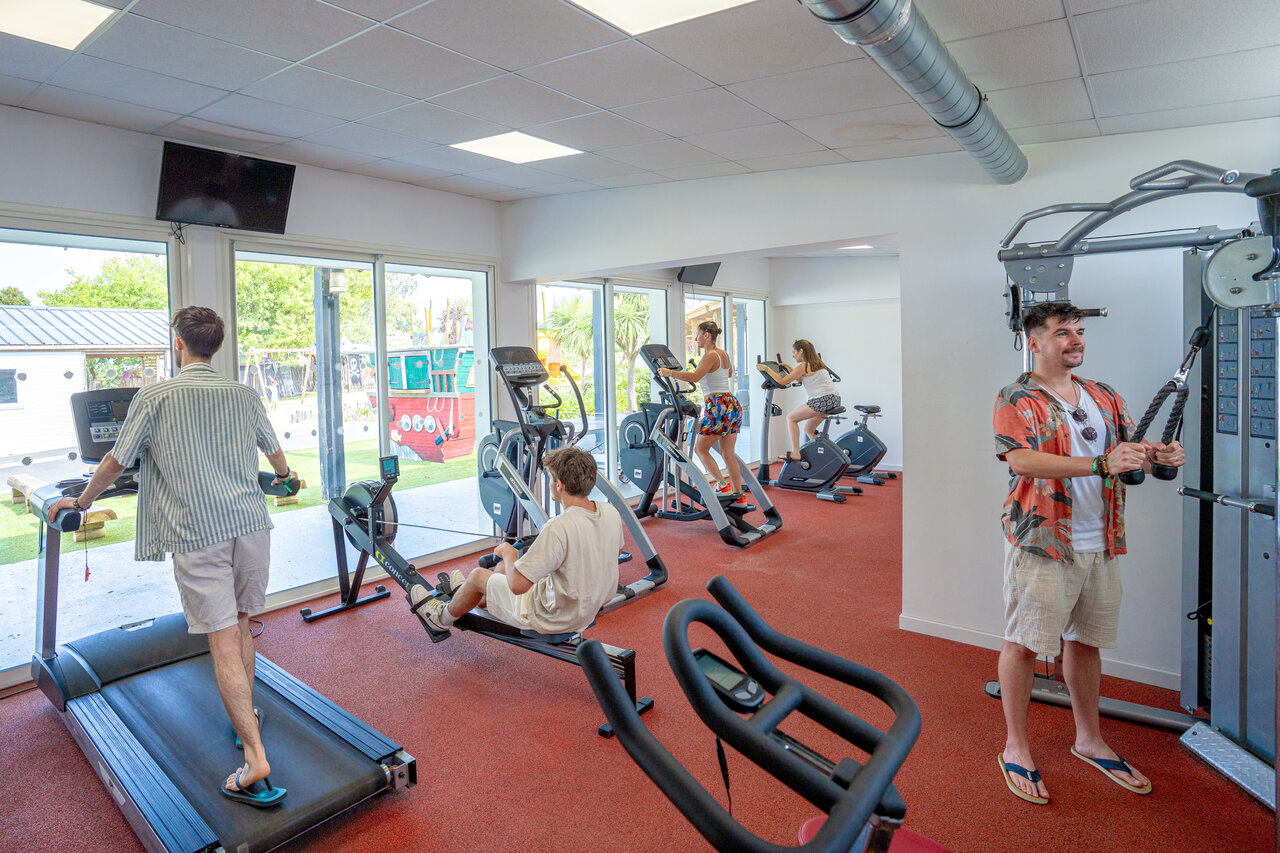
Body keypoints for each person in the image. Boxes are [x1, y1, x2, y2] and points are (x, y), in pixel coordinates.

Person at [48, 306, 295, 809]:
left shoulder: (155, 394)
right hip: (250, 525)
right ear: (217, 347)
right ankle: (244, 712)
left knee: (223, 643)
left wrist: (83, 500)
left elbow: (119, 457)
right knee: (242, 624)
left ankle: (255, 759)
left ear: (178, 343)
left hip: (199, 531)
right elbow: (274, 453)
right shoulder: (244, 394)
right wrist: (287, 477)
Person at [992, 301, 1185, 805]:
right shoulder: (1016, 396)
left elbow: (1125, 452)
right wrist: (1102, 463)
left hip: (1100, 540)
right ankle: (1015, 745)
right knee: (1024, 644)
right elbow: (1022, 459)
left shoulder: (1102, 394)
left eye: (1078, 332)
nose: (1076, 340)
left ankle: (1089, 739)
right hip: (1042, 542)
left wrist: (1157, 453)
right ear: (1035, 342)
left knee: (1086, 643)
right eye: (1063, 333)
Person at [410, 445, 623, 636]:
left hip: (555, 617)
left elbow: (518, 586)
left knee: (478, 575)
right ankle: (469, 595)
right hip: (588, 606)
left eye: (549, 479)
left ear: (559, 484)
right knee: (505, 569)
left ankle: (440, 619)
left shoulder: (559, 527)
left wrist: (508, 553)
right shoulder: (610, 512)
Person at [657, 320, 746, 504]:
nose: (696, 338)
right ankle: (739, 496)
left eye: (697, 334)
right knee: (727, 453)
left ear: (706, 335)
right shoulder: (724, 354)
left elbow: (695, 377)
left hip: (717, 404)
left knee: (700, 448)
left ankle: (722, 485)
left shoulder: (710, 355)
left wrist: (669, 373)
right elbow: (728, 374)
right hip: (731, 403)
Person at [757, 339, 842, 461]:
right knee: (808, 429)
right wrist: (789, 368)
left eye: (794, 352)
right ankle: (824, 455)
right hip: (834, 399)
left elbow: (782, 381)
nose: (793, 355)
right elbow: (800, 380)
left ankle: (795, 452)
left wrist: (766, 369)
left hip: (822, 400)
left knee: (791, 418)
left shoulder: (803, 366)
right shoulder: (818, 364)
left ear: (801, 351)